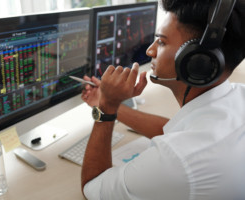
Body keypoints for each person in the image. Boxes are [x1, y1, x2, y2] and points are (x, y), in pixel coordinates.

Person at [81, 0, 245, 199]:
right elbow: (177, 131)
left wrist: (105, 110)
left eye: (161, 41)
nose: (150, 51)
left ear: (197, 61)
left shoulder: (177, 162)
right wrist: (110, 102)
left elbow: (92, 187)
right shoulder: (238, 96)